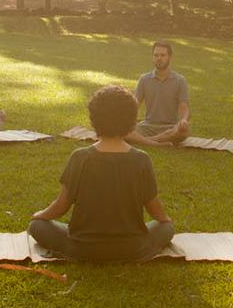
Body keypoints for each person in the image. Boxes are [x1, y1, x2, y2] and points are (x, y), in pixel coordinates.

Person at [29, 85, 175, 262]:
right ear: (131, 121)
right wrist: (166, 221)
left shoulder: (80, 157)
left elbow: (61, 205)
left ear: (94, 119)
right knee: (166, 229)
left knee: (36, 226)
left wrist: (41, 215)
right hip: (132, 249)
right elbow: (154, 208)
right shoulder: (141, 159)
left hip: (82, 248)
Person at [126, 41, 190, 147]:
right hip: (147, 127)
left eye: (163, 55)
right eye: (156, 55)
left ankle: (147, 141)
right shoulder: (144, 79)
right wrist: (126, 120)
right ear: (152, 57)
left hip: (170, 127)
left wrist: (183, 120)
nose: (159, 58)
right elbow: (135, 104)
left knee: (183, 132)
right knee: (122, 130)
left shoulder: (180, 80)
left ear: (170, 57)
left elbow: (184, 107)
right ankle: (157, 143)